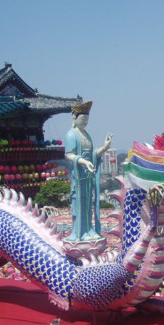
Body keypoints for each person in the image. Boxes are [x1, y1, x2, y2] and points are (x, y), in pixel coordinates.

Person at [64, 101, 112, 242]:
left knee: (88, 204)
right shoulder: (71, 134)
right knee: (79, 204)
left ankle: (89, 229)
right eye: (82, 118)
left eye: (87, 118)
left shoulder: (87, 135)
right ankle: (79, 232)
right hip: (78, 177)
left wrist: (104, 147)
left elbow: (92, 155)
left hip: (88, 177)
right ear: (75, 117)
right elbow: (68, 155)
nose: (85, 121)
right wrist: (83, 162)